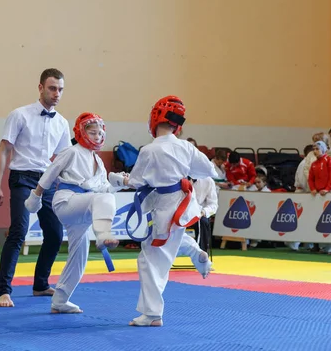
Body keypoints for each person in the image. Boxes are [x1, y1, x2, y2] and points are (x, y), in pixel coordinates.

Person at [126, 95, 217, 327]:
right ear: (177, 124)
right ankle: (198, 254)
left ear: (154, 120)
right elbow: (209, 170)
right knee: (173, 240)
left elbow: (137, 181)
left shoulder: (149, 150)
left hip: (165, 207)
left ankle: (152, 314)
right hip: (184, 204)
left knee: (151, 260)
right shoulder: (186, 146)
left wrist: (120, 179)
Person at [24, 112, 125, 314]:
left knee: (80, 256)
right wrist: (35, 197)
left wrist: (120, 182)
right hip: (66, 201)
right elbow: (50, 172)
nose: (97, 136)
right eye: (92, 132)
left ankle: (60, 300)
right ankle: (103, 235)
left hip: (84, 206)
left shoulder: (98, 161)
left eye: (99, 133)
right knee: (103, 200)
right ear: (81, 132)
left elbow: (104, 190)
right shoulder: (71, 152)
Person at [0, 68, 71, 308]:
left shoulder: (63, 123)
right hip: (22, 178)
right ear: (40, 88)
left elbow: (64, 159)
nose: (57, 94)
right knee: (18, 231)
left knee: (56, 235)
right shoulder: (19, 115)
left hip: (47, 180)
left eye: (60, 89)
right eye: (52, 88)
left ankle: (40, 284)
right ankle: (4, 291)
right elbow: (4, 149)